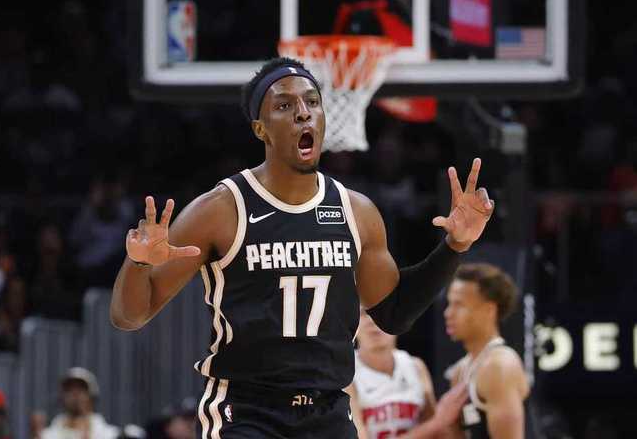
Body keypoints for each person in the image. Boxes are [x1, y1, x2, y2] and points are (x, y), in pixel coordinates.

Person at [110, 57, 494, 438]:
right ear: (261, 129)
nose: (303, 113)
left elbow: (393, 313)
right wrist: (138, 263)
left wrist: (455, 245)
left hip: (327, 412)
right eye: (284, 105)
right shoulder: (221, 210)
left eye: (312, 101)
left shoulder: (356, 212)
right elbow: (129, 316)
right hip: (246, 413)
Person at [347, 309, 467, 438]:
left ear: (398, 321)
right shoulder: (347, 374)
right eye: (364, 314)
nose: (372, 321)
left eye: (379, 312)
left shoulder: (416, 366)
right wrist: (435, 424)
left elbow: (437, 432)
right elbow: (434, 425)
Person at [444, 263, 530, 439]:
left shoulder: (499, 366)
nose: (448, 313)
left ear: (489, 310)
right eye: (449, 304)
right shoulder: (460, 371)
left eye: (459, 305)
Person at [40, 367, 119, 439]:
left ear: (92, 396)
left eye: (81, 389)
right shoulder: (47, 436)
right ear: (61, 398)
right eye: (69, 390)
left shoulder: (111, 435)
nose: (75, 394)